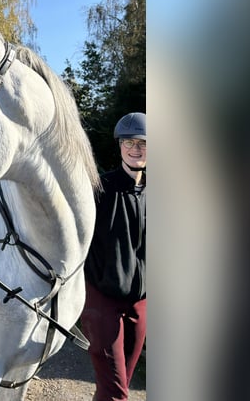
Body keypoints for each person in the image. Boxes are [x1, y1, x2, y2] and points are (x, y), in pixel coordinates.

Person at [82, 112, 147, 401]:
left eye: (144, 143)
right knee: (117, 392)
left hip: (141, 302)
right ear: (120, 145)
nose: (136, 149)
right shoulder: (98, 189)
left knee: (116, 385)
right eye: (130, 142)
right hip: (102, 301)